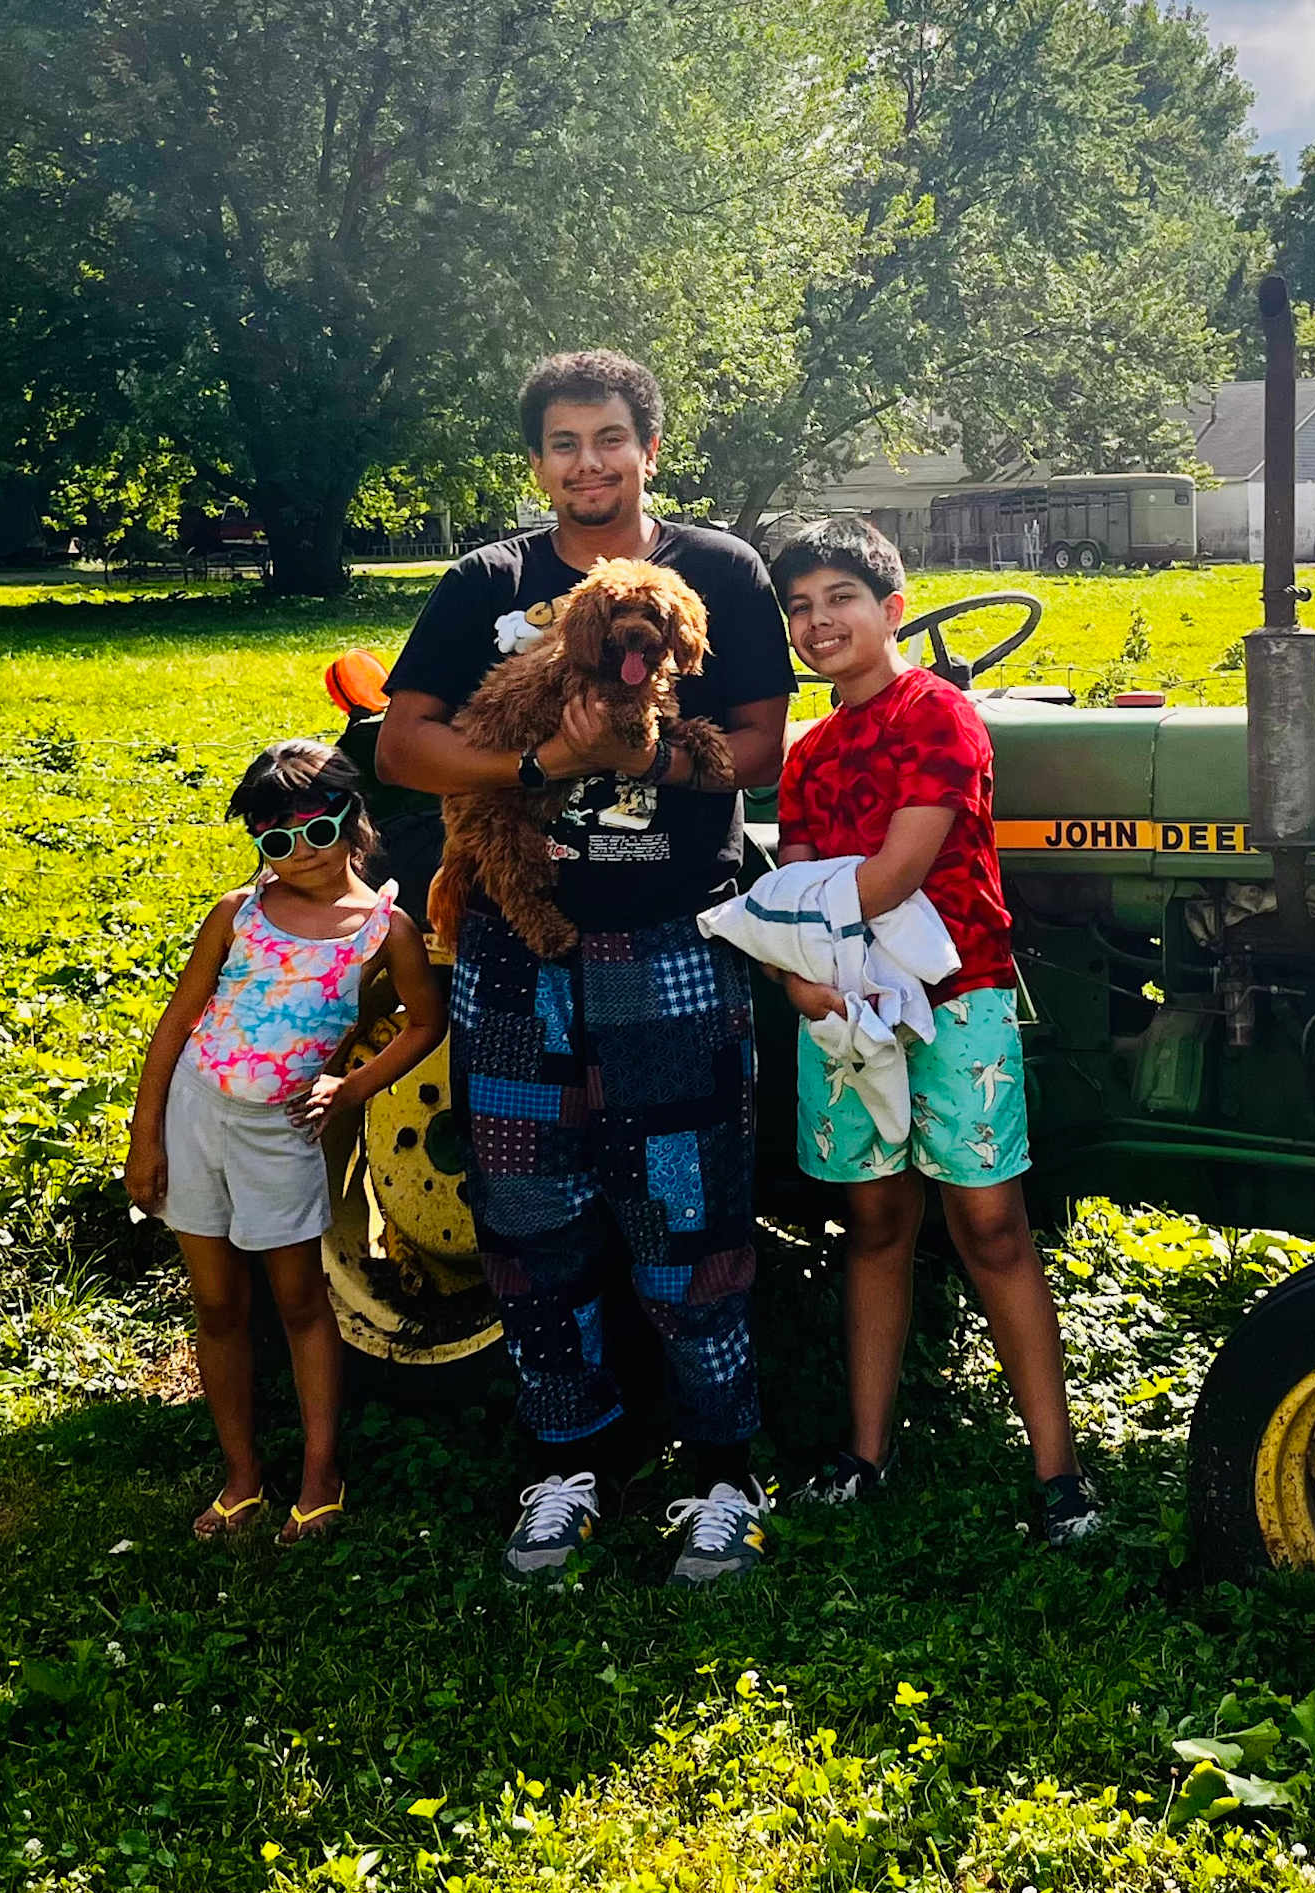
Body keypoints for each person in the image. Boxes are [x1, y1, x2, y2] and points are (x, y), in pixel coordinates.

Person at [377, 350, 796, 1586]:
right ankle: (571, 1457)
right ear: (538, 462)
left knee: (692, 1212)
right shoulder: (484, 584)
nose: (588, 464)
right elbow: (404, 746)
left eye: (610, 439)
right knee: (525, 1216)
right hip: (515, 948)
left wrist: (652, 763)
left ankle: (722, 1467)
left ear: (649, 450)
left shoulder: (719, 571)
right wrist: (536, 771)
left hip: (671, 940)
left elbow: (763, 749)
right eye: (564, 443)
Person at [762, 517, 1103, 1546]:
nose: (821, 623)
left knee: (990, 1223)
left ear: (892, 608)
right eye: (801, 608)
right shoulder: (807, 754)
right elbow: (797, 881)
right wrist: (797, 982)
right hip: (848, 1010)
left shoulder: (939, 715)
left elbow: (897, 872)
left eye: (841, 600)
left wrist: (796, 936)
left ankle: (1060, 1475)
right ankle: (866, 1454)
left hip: (956, 996)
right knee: (874, 1222)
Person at [121, 740, 445, 1545]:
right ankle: (240, 1476)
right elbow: (178, 1022)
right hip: (198, 1116)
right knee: (218, 1303)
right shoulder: (236, 914)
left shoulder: (386, 930)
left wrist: (351, 1087)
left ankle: (320, 1471)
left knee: (303, 1303)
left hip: (282, 1135)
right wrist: (146, 1135)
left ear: (352, 821)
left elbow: (424, 1022)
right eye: (274, 841)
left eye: (315, 831)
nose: (298, 855)